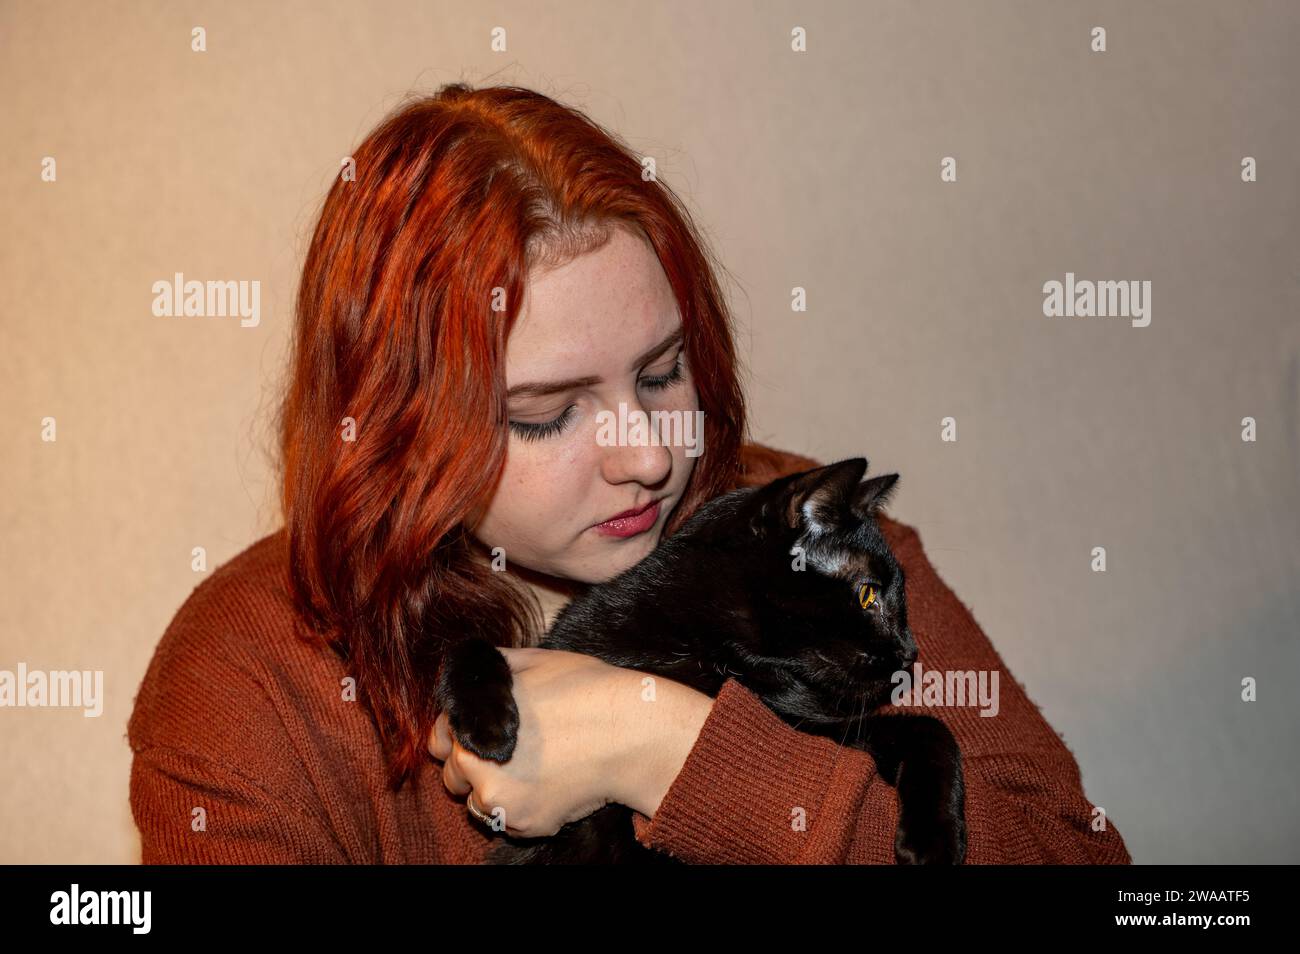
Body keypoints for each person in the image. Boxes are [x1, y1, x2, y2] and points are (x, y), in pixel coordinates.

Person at [127, 83, 1132, 864]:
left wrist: (669, 748)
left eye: (662, 372)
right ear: (398, 429)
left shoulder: (809, 550)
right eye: (548, 414)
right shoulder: (248, 677)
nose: (650, 454)